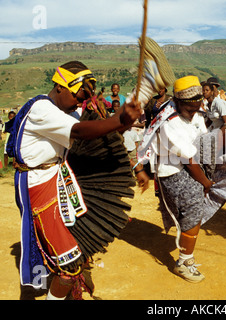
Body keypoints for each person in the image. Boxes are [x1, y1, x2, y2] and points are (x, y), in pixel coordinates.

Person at [7, 37, 173, 299]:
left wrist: (129, 113)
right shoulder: (41, 108)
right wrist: (121, 118)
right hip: (37, 185)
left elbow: (102, 130)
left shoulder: (66, 110)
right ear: (61, 88)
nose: (79, 102)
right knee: (70, 266)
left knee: (79, 241)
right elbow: (82, 132)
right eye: (78, 95)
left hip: (59, 178)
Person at [137, 76, 214, 283]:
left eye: (196, 107)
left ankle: (186, 257)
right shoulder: (170, 123)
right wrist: (206, 182)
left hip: (191, 168)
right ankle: (184, 262)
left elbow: (202, 139)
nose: (193, 112)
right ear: (178, 102)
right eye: (189, 108)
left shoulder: (194, 112)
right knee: (191, 214)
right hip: (174, 173)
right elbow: (188, 160)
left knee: (193, 213)